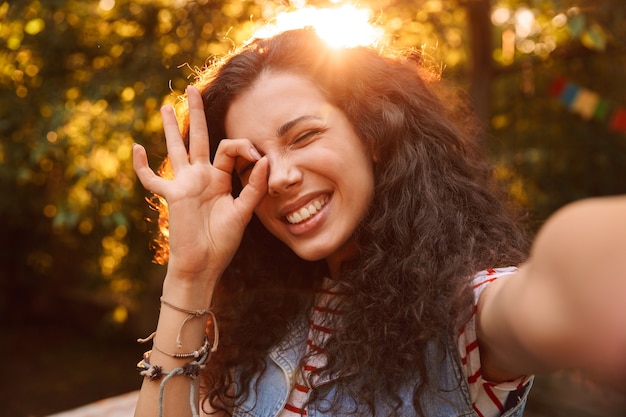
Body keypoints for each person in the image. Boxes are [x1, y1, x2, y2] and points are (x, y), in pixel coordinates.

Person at [132, 28, 626, 417]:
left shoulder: (464, 316)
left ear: (373, 134)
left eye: (303, 137)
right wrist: (191, 272)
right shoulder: (259, 325)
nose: (278, 177)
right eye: (251, 165)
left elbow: (550, 297)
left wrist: (581, 248)